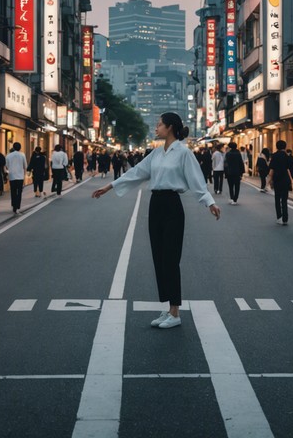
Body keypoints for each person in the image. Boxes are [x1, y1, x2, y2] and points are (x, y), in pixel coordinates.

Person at [92, 112, 220, 329]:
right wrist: (109, 187)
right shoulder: (156, 154)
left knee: (171, 259)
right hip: (155, 205)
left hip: (172, 206)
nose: (156, 128)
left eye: (159, 124)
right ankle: (169, 309)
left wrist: (209, 202)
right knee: (159, 258)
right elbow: (137, 173)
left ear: (170, 127)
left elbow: (197, 180)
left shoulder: (183, 153)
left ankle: (175, 312)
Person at [268, 140, 293, 225]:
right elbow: (289, 169)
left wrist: (270, 179)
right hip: (285, 179)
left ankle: (279, 217)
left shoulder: (274, 156)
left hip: (277, 179)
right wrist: (291, 179)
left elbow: (272, 169)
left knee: (277, 198)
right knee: (284, 199)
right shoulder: (287, 156)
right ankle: (285, 218)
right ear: (285, 147)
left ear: (277, 147)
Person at [5, 142, 28, 216]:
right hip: (20, 176)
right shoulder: (22, 155)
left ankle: (14, 206)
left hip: (12, 176)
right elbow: (25, 166)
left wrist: (8, 173)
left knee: (13, 192)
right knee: (19, 192)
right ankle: (17, 207)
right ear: (20, 148)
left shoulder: (8, 156)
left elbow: (6, 166)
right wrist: (25, 175)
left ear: (13, 147)